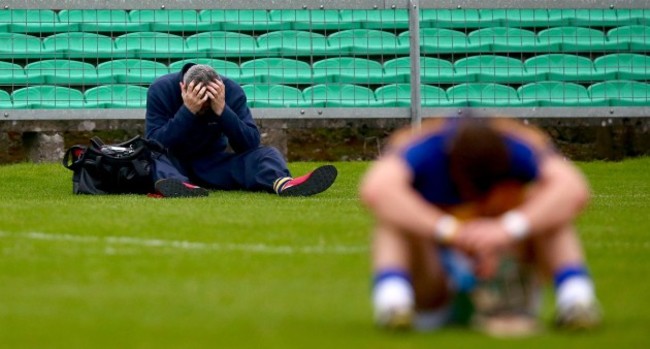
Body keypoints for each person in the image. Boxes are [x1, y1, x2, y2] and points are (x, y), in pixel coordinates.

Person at [359, 116, 601, 335]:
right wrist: (451, 231)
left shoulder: (519, 143)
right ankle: (394, 304)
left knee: (549, 204)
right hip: (435, 272)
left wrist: (506, 230)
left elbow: (573, 189)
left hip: (507, 262)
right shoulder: (425, 145)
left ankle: (576, 300)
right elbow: (376, 189)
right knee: (394, 216)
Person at [145, 63, 337, 198]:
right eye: (198, 99)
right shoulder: (161, 89)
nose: (203, 105)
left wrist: (222, 111)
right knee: (151, 156)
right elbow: (156, 143)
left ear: (219, 89)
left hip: (214, 165)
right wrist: (188, 111)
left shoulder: (231, 91)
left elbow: (249, 143)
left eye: (208, 101)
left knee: (266, 153)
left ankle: (284, 183)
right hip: (174, 163)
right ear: (183, 88)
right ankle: (179, 185)